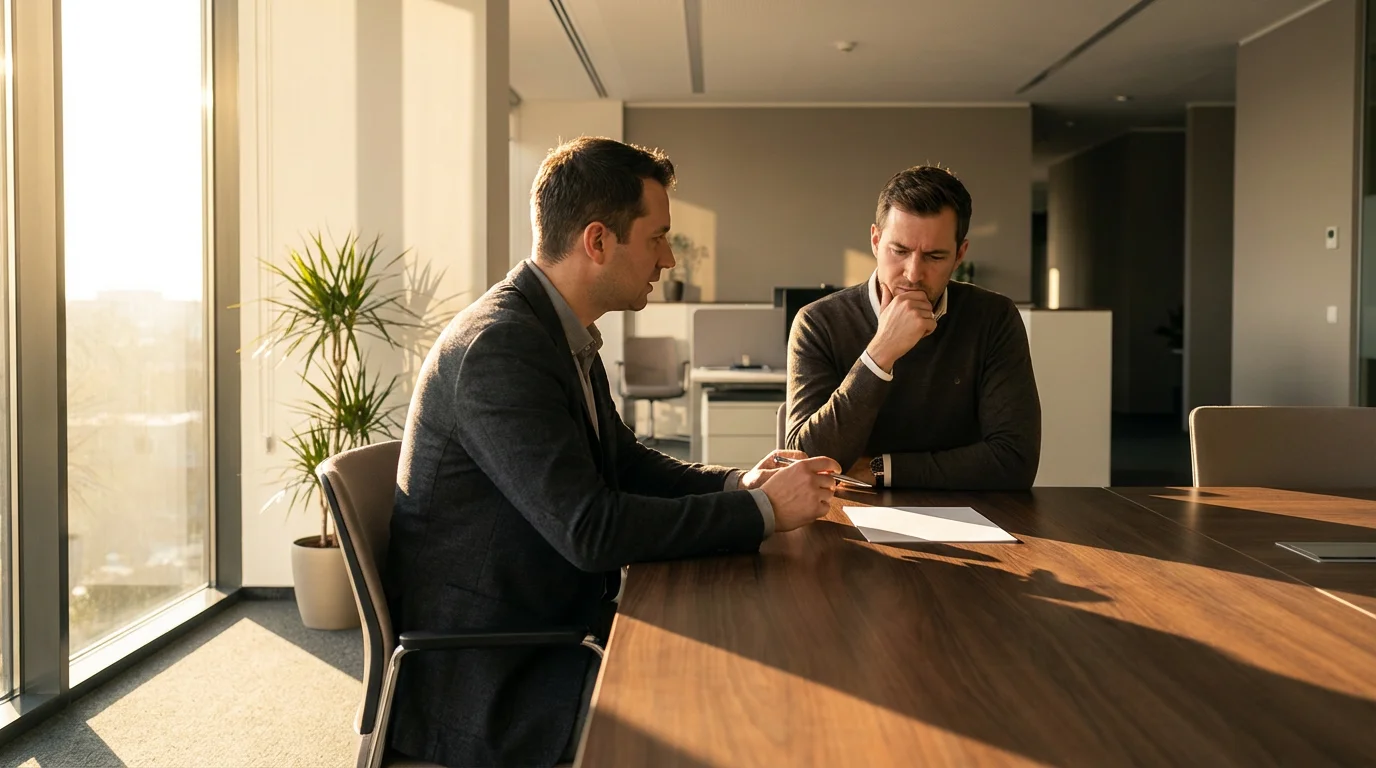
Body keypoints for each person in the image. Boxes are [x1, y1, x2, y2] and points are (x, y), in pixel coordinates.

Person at [385, 136, 841, 767]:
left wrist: (739, 485)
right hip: (494, 675)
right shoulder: (499, 348)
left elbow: (625, 463)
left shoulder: (555, 330)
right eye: (657, 238)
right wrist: (763, 512)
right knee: (734, 707)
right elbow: (590, 530)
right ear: (598, 241)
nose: (669, 259)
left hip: (552, 625)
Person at [785, 165, 1041, 490]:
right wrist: (881, 352)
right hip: (845, 509)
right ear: (876, 240)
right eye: (900, 251)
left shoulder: (994, 318)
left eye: (934, 256)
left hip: (972, 511)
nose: (913, 273)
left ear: (960, 255)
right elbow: (804, 461)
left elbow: (1015, 461)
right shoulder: (817, 322)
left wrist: (884, 469)